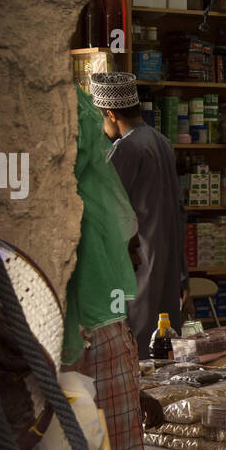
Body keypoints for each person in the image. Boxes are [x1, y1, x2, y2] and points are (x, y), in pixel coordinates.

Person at [61, 84, 150, 450]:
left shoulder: (110, 161)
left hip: (93, 319)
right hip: (103, 316)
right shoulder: (141, 149)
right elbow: (128, 231)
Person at [89, 72, 190, 357]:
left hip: (139, 263)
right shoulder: (162, 142)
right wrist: (183, 276)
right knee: (164, 344)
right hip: (167, 262)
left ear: (109, 112)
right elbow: (178, 213)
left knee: (138, 347)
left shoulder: (127, 149)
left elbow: (107, 212)